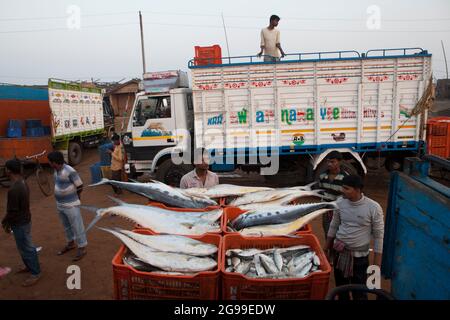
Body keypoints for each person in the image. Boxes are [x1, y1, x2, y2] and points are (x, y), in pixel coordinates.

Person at [325, 175, 384, 300]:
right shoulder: (340, 202)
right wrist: (326, 248)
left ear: (358, 190)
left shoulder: (373, 207)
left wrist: (376, 264)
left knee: (360, 292)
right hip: (340, 254)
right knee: (341, 290)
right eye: (343, 187)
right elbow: (334, 225)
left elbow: (379, 236)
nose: (343, 191)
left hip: (360, 258)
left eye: (346, 188)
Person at [1, 159, 41, 286]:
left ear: (8, 170)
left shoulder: (14, 188)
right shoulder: (22, 182)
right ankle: (29, 266)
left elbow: (12, 211)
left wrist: (5, 222)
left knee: (27, 248)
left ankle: (35, 273)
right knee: (24, 247)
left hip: (20, 222)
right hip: (24, 219)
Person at [47, 151, 88, 261]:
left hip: (71, 204)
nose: (49, 164)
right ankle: (70, 243)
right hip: (60, 204)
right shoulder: (56, 171)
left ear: (55, 162)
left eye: (50, 162)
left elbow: (80, 185)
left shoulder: (70, 171)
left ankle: (82, 247)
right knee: (67, 226)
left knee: (77, 226)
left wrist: (77, 197)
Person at [313, 151, 351, 237]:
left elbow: (347, 197)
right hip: (327, 211)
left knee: (339, 235)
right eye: (328, 161)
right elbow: (322, 193)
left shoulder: (345, 178)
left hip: (340, 211)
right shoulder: (322, 176)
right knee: (328, 233)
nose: (329, 164)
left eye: (332, 162)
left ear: (339, 162)